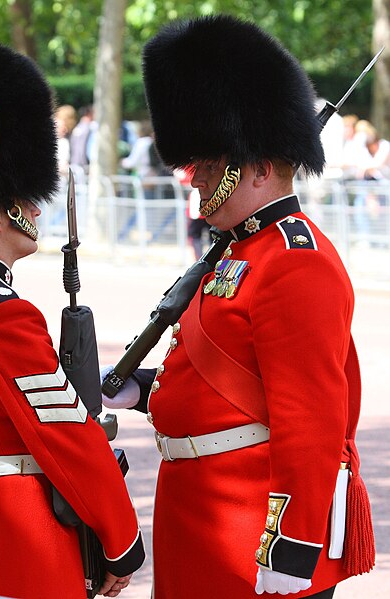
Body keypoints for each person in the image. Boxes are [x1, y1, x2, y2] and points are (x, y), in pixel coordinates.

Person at [102, 15, 374, 599]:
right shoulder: (239, 252)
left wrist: (292, 544)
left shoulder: (296, 262)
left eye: (206, 161)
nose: (192, 175)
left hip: (247, 533)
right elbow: (230, 378)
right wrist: (144, 387)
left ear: (256, 164)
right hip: (194, 518)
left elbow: (310, 421)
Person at [0, 39, 144, 598]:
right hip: (21, 553)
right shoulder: (0, 315)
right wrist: (121, 536)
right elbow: (68, 437)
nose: (37, 209)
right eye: (26, 199)